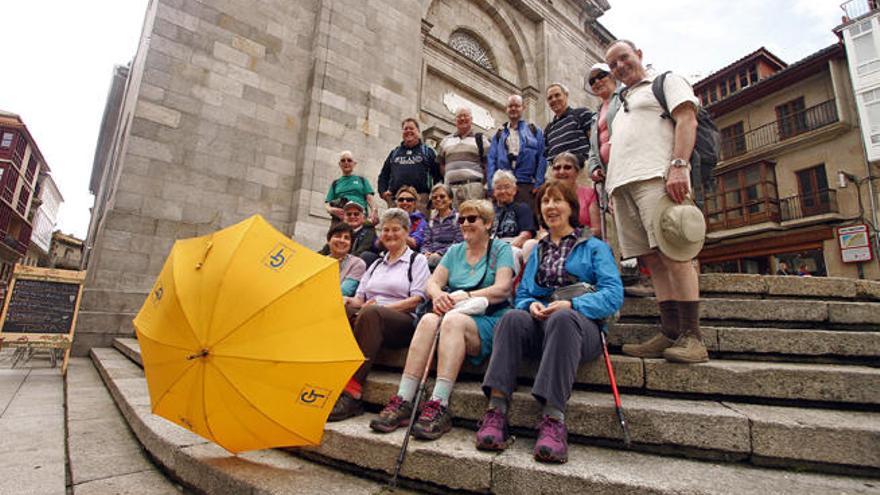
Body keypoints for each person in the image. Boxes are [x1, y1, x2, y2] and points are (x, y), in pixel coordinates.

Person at [475, 181, 623, 463]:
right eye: (545, 202)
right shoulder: (539, 250)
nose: (551, 206)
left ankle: (553, 419)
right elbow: (523, 294)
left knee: (564, 318)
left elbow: (614, 295)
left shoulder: (594, 247)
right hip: (543, 326)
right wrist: (530, 305)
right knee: (511, 318)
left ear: (571, 207)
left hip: (582, 329)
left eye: (557, 200)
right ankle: (496, 411)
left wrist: (573, 304)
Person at [370, 199, 515, 439]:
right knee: (428, 320)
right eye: (462, 219)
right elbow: (432, 283)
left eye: (472, 219)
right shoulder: (455, 251)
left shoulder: (501, 249)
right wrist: (438, 297)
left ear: (488, 223)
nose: (465, 223)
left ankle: (439, 403)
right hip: (455, 312)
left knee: (452, 321)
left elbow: (502, 288)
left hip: (487, 316)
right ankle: (404, 398)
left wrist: (464, 295)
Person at [601, 39, 708, 363]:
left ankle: (694, 337)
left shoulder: (666, 81)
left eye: (624, 58)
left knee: (675, 252)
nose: (620, 67)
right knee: (654, 261)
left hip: (656, 178)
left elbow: (687, 119)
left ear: (639, 55)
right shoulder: (622, 100)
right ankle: (671, 332)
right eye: (613, 65)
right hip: (623, 186)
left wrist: (679, 166)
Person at [328, 208, 430, 421]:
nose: (389, 234)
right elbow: (359, 299)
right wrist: (346, 301)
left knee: (372, 313)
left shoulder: (416, 261)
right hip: (369, 315)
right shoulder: (375, 263)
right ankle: (329, 376)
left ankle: (352, 393)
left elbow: (417, 300)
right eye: (385, 230)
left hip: (401, 322)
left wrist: (381, 309)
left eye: (395, 230)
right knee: (343, 308)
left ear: (406, 231)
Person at [487, 95, 547, 204]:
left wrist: (539, 184)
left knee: (526, 218)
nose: (513, 109)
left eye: (517, 106)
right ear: (506, 109)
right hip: (504, 187)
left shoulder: (534, 131)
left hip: (527, 185)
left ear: (523, 108)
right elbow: (491, 160)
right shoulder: (499, 135)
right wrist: (492, 187)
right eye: (510, 106)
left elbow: (542, 158)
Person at [378, 118, 441, 214]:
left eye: (411, 128)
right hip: (397, 199)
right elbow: (384, 175)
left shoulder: (428, 152)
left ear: (418, 131)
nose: (408, 131)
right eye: (405, 129)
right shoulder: (394, 153)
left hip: (421, 200)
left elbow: (438, 176)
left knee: (420, 228)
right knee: (396, 227)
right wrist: (383, 192)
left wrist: (434, 197)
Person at [438, 107, 491, 208]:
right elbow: (442, 164)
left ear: (471, 119)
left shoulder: (481, 140)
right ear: (455, 120)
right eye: (459, 116)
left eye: (465, 116)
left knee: (472, 217)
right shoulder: (445, 141)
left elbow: (488, 164)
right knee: (453, 220)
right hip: (451, 189)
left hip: (473, 187)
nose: (462, 119)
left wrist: (484, 186)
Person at [490, 170, 535, 270]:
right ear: (494, 192)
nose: (503, 191)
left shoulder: (523, 208)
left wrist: (505, 249)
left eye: (507, 187)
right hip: (491, 245)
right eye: (499, 188)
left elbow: (526, 234)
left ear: (514, 190)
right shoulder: (489, 211)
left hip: (513, 246)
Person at [549, 152, 601, 237]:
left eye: (567, 167)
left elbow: (597, 230)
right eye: (557, 168)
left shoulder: (589, 194)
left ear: (577, 172)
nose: (561, 171)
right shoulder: (548, 196)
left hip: (584, 242)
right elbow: (543, 232)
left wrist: (572, 235)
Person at [543, 83, 593, 167]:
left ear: (566, 95)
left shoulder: (582, 114)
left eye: (557, 95)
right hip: (557, 174)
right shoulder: (548, 129)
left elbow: (594, 144)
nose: (554, 99)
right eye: (550, 98)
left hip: (580, 171)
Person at [325, 150, 380, 225]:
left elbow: (370, 199)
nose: (346, 162)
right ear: (340, 164)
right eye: (343, 160)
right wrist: (331, 210)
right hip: (341, 219)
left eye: (349, 160)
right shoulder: (335, 183)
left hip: (360, 217)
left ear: (354, 164)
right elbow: (327, 204)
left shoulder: (362, 180)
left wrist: (374, 211)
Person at [319, 202, 379, 266]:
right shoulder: (339, 231)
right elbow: (325, 250)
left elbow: (361, 251)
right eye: (349, 214)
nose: (352, 216)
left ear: (363, 218)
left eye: (356, 214)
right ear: (344, 218)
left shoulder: (369, 231)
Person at [421, 183, 463, 269]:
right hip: (431, 257)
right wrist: (425, 252)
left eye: (442, 196)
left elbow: (459, 242)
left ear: (450, 199)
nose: (438, 199)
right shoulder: (431, 221)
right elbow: (426, 242)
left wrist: (440, 253)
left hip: (451, 257)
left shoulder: (458, 218)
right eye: (434, 197)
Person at [325, 222, 366, 297]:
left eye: (346, 238)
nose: (342, 240)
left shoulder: (357, 263)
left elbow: (345, 291)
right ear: (328, 241)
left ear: (351, 244)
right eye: (338, 236)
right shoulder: (321, 262)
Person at [392, 186, 428, 252]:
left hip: (410, 255)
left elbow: (414, 243)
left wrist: (394, 233)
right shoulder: (390, 218)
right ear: (397, 203)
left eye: (409, 200)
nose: (404, 202)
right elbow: (378, 245)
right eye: (401, 200)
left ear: (415, 203)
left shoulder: (421, 221)